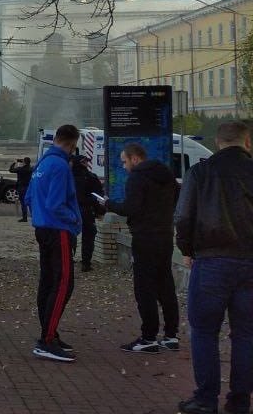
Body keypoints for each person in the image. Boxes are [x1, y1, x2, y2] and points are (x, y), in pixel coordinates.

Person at [174, 120, 253, 414]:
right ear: (247, 143)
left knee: (204, 331)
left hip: (211, 261)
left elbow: (183, 217)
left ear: (218, 142)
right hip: (250, 264)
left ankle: (206, 400)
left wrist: (187, 249)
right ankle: (240, 401)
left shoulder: (201, 172)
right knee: (246, 334)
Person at [105, 142, 180, 355]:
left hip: (144, 238)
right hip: (165, 236)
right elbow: (176, 199)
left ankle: (148, 337)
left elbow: (131, 208)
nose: (124, 166)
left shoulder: (137, 177)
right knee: (165, 285)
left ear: (135, 158)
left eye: (124, 161)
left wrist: (109, 204)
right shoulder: (167, 176)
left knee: (144, 288)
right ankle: (171, 335)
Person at [27, 123, 81, 362]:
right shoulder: (60, 166)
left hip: (42, 228)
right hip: (58, 230)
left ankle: (49, 333)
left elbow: (28, 197)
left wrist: (39, 216)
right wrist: (74, 220)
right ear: (71, 143)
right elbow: (56, 203)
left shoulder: (42, 163)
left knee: (48, 282)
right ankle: (47, 340)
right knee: (63, 283)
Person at [71, 155, 105, 272]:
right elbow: (98, 196)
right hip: (86, 210)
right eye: (85, 161)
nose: (87, 163)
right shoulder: (90, 177)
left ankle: (69, 259)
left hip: (71, 210)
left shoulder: (67, 177)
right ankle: (86, 263)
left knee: (70, 235)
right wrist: (100, 211)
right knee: (88, 237)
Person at [9, 157, 33, 222]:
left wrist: (14, 162)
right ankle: (34, 217)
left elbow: (11, 170)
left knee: (23, 203)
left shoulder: (20, 169)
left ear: (24, 162)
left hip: (22, 187)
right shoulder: (31, 169)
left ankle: (24, 218)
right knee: (31, 202)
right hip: (29, 187)